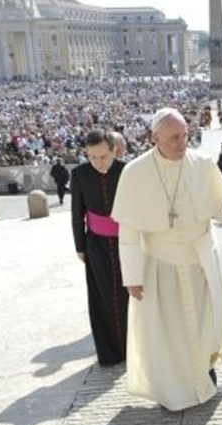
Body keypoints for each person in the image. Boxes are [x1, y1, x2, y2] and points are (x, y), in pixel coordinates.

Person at [111, 108, 222, 411]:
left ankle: (204, 374)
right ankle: (172, 388)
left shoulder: (202, 163)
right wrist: (132, 277)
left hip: (201, 259)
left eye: (185, 134)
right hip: (162, 265)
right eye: (173, 137)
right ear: (154, 137)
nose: (181, 142)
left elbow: (220, 202)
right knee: (169, 330)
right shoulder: (135, 172)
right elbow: (129, 231)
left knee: (204, 322)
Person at [71, 130, 128, 367]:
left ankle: (134, 347)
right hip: (96, 245)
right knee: (102, 298)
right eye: (92, 157)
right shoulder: (80, 174)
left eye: (103, 156)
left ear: (114, 149)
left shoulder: (127, 170)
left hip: (127, 243)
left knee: (130, 297)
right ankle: (109, 352)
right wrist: (80, 246)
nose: (98, 163)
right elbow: (77, 214)